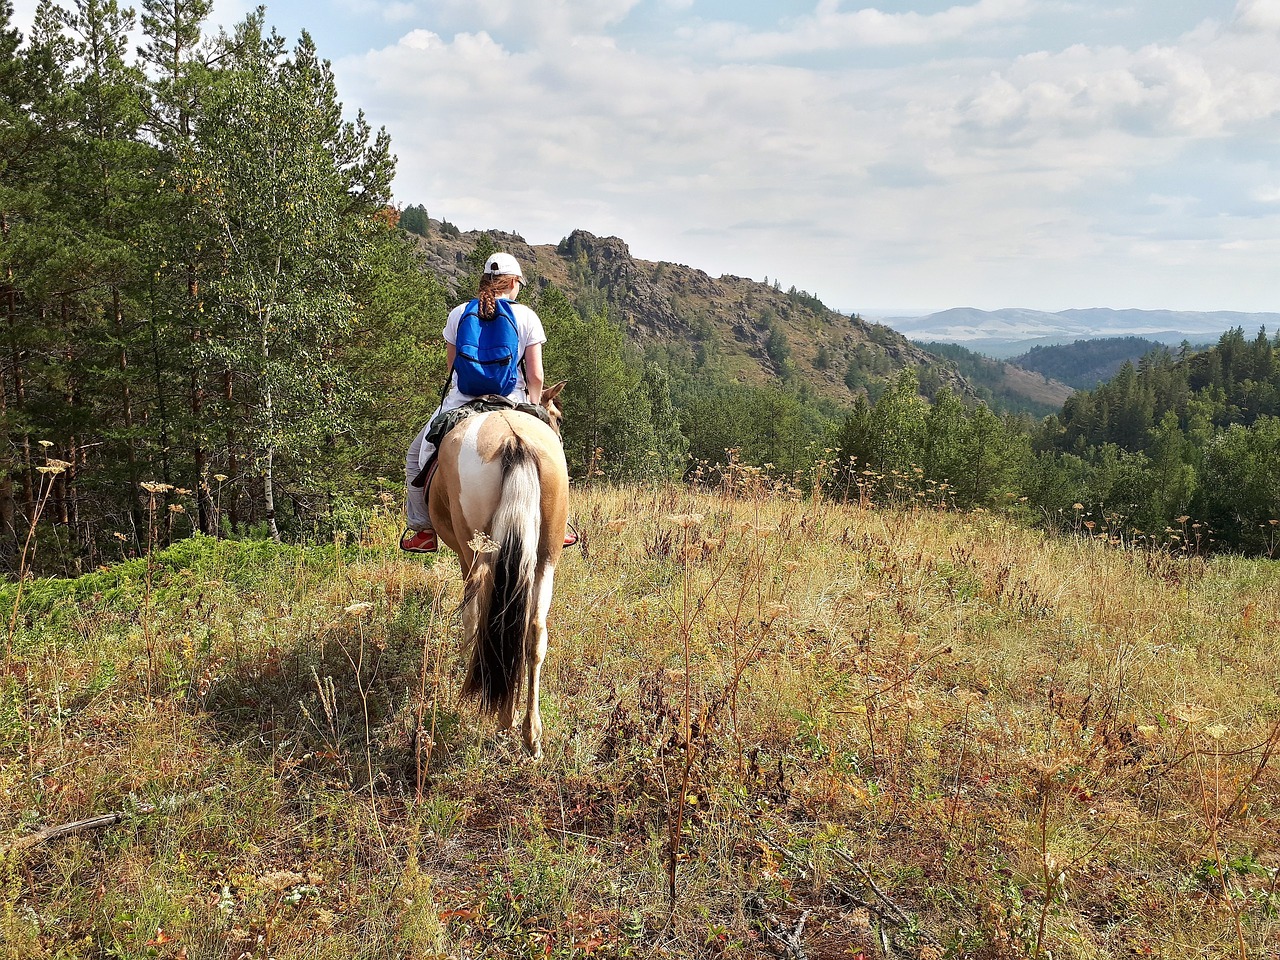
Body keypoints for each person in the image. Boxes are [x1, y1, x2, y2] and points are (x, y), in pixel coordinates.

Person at [402, 252, 558, 553]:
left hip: (462, 402)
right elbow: (536, 376)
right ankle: (558, 525)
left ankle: (423, 530)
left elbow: (453, 369)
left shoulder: (459, 313)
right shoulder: (526, 316)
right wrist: (533, 405)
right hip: (512, 402)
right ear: (514, 282)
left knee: (415, 459)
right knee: (553, 457)